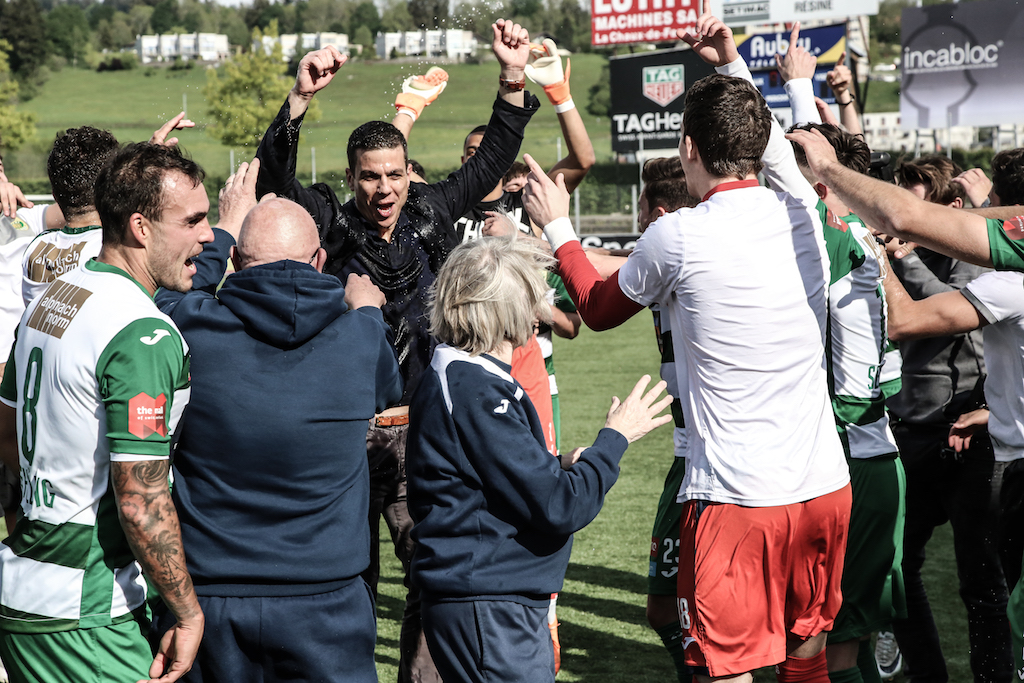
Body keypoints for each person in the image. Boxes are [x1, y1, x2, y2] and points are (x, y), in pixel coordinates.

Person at [523, 3, 852, 680]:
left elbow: (595, 304)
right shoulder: (802, 208)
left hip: (737, 498)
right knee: (806, 659)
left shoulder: (676, 233)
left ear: (688, 150)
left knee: (727, 671)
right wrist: (732, 67)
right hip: (825, 487)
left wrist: (559, 227)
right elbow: (775, 149)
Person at [254, 22, 539, 683]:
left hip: (422, 436)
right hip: (347, 436)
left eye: (393, 175)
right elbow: (275, 177)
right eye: (369, 177)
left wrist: (513, 78)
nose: (383, 190)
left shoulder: (432, 211)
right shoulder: (330, 219)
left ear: (408, 172)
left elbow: (493, 157)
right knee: (350, 581)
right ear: (350, 176)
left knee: (433, 579)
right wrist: (297, 100)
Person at [151, 160, 403, 683]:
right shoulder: (359, 338)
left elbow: (170, 294)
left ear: (238, 262)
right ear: (320, 260)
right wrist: (369, 312)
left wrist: (223, 228)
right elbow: (388, 392)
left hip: (211, 596)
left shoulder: (193, 329)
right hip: (326, 597)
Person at [406, 235, 672, 683]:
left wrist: (562, 463)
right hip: (489, 605)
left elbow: (489, 478)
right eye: (530, 295)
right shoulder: (474, 388)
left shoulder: (466, 377)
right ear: (503, 307)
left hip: (490, 600)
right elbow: (559, 505)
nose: (538, 308)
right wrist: (615, 438)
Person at [0, 141, 211, 683]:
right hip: (86, 614)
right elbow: (141, 498)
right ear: (141, 228)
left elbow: (5, 435)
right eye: (193, 221)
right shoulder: (141, 331)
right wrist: (187, 612)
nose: (208, 236)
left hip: (25, 588)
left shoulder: (51, 298)